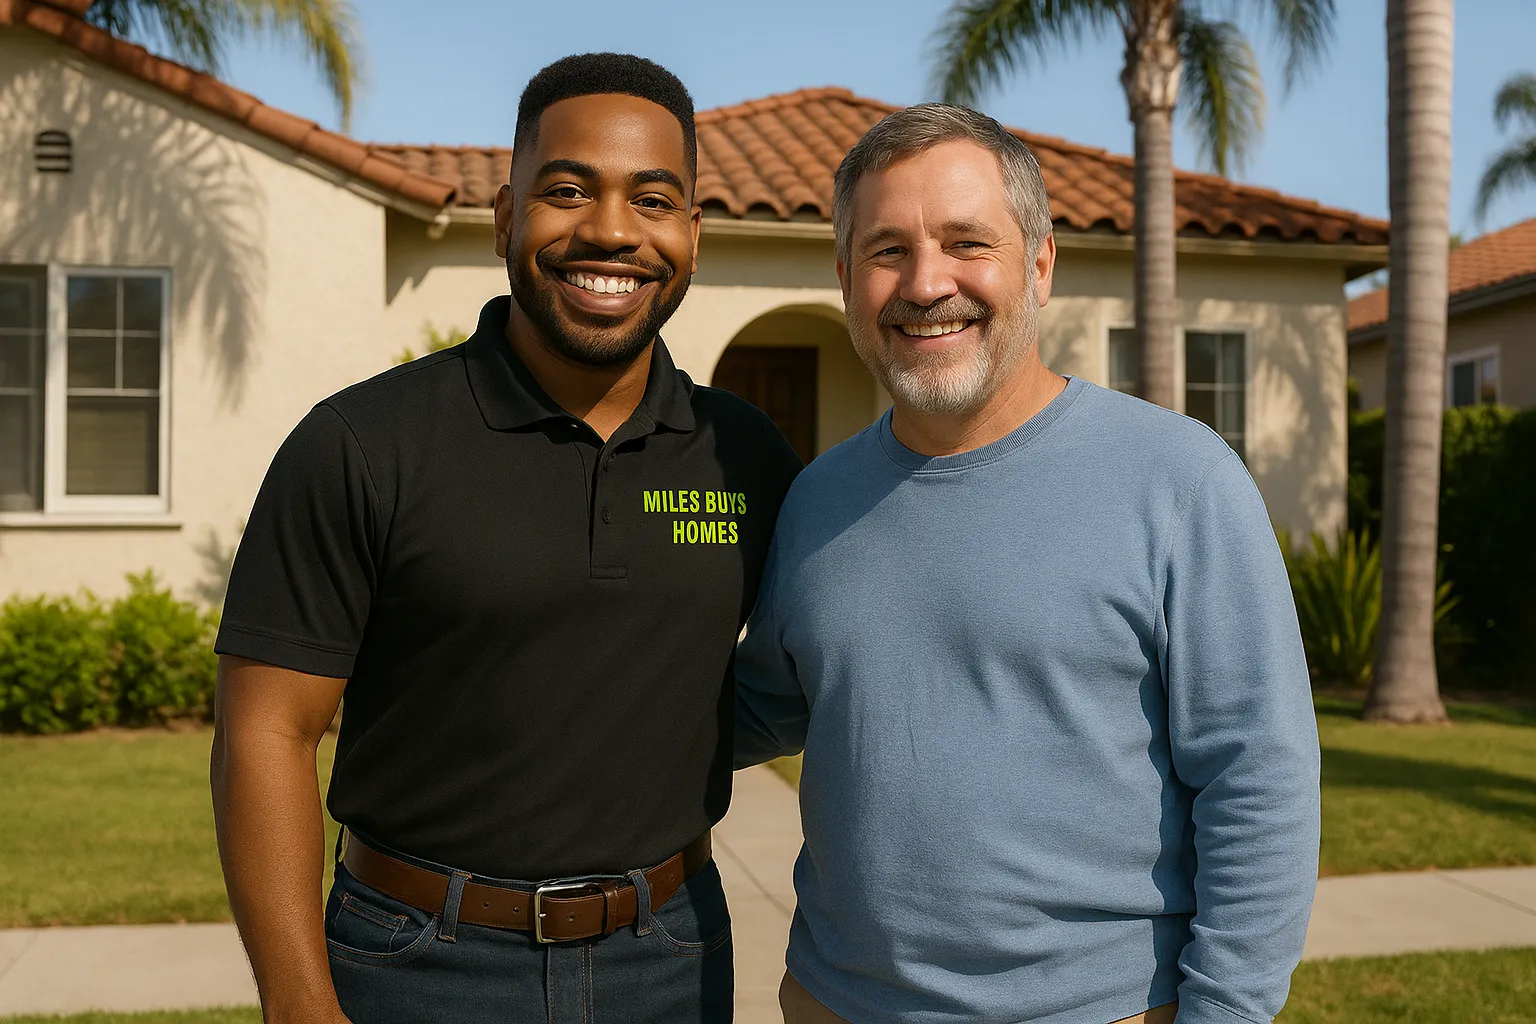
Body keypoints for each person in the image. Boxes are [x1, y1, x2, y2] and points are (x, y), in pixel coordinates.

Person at [210, 52, 800, 1024]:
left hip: (672, 956)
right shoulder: (363, 444)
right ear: (505, 217)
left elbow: (822, 657)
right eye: (567, 191)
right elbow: (266, 731)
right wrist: (298, 1000)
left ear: (692, 236)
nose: (611, 229)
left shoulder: (745, 454)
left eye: (653, 201)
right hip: (415, 962)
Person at [735, 103, 1321, 1024]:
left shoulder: (1180, 481)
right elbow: (757, 708)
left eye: (967, 243)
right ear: (846, 280)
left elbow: (1259, 781)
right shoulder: (818, 499)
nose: (926, 283)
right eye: (887, 251)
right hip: (835, 1002)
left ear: (1040, 265)